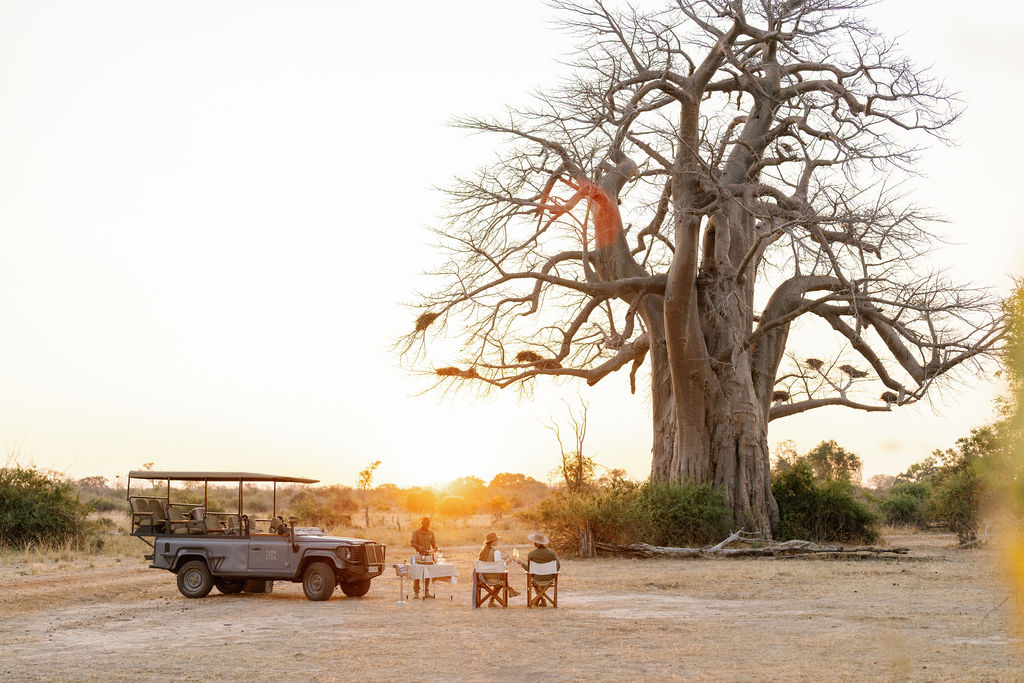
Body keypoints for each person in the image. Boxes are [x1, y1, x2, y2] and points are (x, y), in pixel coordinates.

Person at [478, 531, 519, 603]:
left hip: (483, 577)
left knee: (502, 579)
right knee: (503, 579)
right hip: (493, 578)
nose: (498, 541)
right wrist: (507, 561)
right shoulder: (496, 552)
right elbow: (499, 567)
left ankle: (508, 591)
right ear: (492, 542)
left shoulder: (482, 551)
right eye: (496, 539)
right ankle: (509, 590)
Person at [515, 531, 560, 596]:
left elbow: (529, 569)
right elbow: (557, 567)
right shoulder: (552, 553)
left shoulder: (531, 554)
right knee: (537, 578)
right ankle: (541, 599)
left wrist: (521, 563)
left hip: (537, 579)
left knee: (534, 580)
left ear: (535, 543)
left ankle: (539, 598)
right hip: (549, 579)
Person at [411, 517, 438, 598]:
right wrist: (419, 548)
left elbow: (433, 545)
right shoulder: (416, 533)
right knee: (417, 573)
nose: (426, 526)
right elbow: (412, 543)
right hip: (419, 555)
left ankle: (426, 591)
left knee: (428, 573)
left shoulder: (431, 533)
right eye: (424, 524)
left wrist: (435, 549)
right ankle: (416, 592)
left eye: (427, 524)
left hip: (428, 556)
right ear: (421, 523)